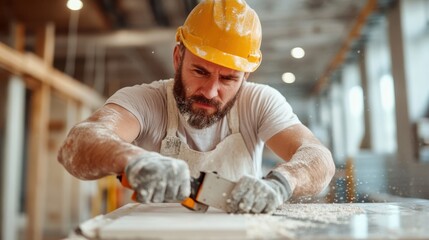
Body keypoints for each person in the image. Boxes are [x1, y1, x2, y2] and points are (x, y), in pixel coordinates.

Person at [58, 0, 335, 214]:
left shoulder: (259, 102)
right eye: (200, 71)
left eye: (228, 78)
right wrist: (135, 160)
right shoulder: (144, 101)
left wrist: (282, 183)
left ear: (245, 77)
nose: (211, 91)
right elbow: (79, 143)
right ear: (178, 57)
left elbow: (317, 157)